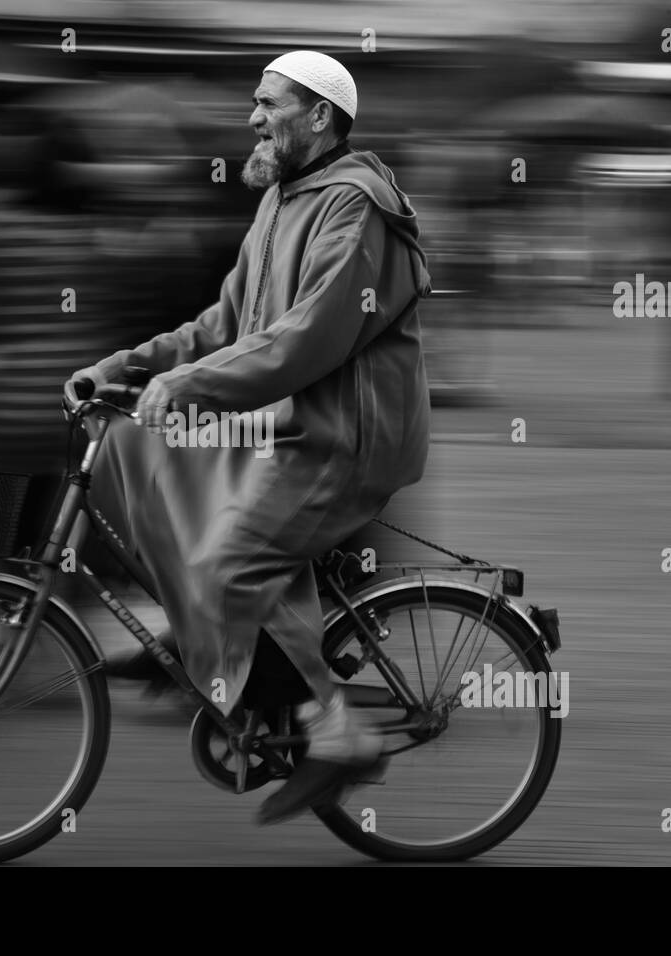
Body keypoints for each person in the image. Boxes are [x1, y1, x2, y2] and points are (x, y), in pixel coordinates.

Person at [67, 51, 433, 824]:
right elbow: (224, 325)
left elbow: (306, 338)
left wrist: (190, 386)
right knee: (152, 479)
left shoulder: (353, 206)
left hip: (346, 437)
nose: (253, 118)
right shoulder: (282, 200)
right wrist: (126, 368)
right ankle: (207, 650)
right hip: (287, 426)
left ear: (320, 116)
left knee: (231, 559)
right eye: (254, 102)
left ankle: (340, 737)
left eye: (269, 104)